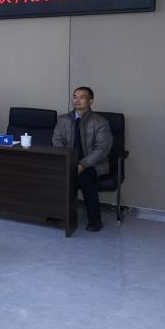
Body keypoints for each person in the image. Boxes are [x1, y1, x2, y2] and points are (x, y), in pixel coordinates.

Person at [52, 86, 112, 232]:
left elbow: (102, 149)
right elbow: (57, 141)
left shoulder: (100, 122)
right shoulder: (63, 119)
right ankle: (54, 214)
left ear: (91, 101)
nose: (77, 100)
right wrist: (68, 161)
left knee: (86, 178)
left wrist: (82, 165)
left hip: (93, 164)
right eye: (75, 97)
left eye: (82, 97)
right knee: (51, 174)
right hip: (68, 161)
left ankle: (95, 221)